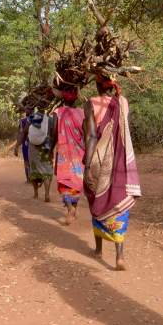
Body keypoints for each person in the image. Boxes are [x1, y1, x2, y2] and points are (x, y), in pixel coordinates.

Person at [83, 75, 141, 271]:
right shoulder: (123, 103)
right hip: (121, 161)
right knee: (119, 204)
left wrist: (88, 163)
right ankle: (120, 256)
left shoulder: (91, 103)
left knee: (97, 200)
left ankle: (98, 250)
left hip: (100, 160)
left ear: (98, 84)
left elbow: (91, 135)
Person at [52, 85, 85, 225]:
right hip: (80, 152)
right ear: (76, 97)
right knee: (76, 182)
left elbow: (53, 133)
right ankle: (73, 208)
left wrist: (49, 150)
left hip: (64, 153)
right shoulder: (83, 113)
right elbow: (87, 133)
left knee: (64, 182)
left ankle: (70, 208)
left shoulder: (57, 112)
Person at [22, 109, 56, 202]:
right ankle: (47, 194)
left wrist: (24, 141)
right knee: (47, 170)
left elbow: (25, 131)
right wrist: (52, 148)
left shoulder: (31, 117)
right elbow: (53, 134)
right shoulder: (50, 119)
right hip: (46, 147)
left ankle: (36, 194)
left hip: (33, 148)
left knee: (34, 170)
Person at [14, 107, 33, 183]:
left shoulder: (23, 121)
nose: (26, 110)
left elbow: (21, 134)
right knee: (28, 162)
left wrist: (17, 146)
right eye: (26, 109)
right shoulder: (39, 119)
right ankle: (31, 179)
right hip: (31, 143)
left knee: (27, 162)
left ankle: (29, 179)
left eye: (28, 109)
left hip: (27, 143)